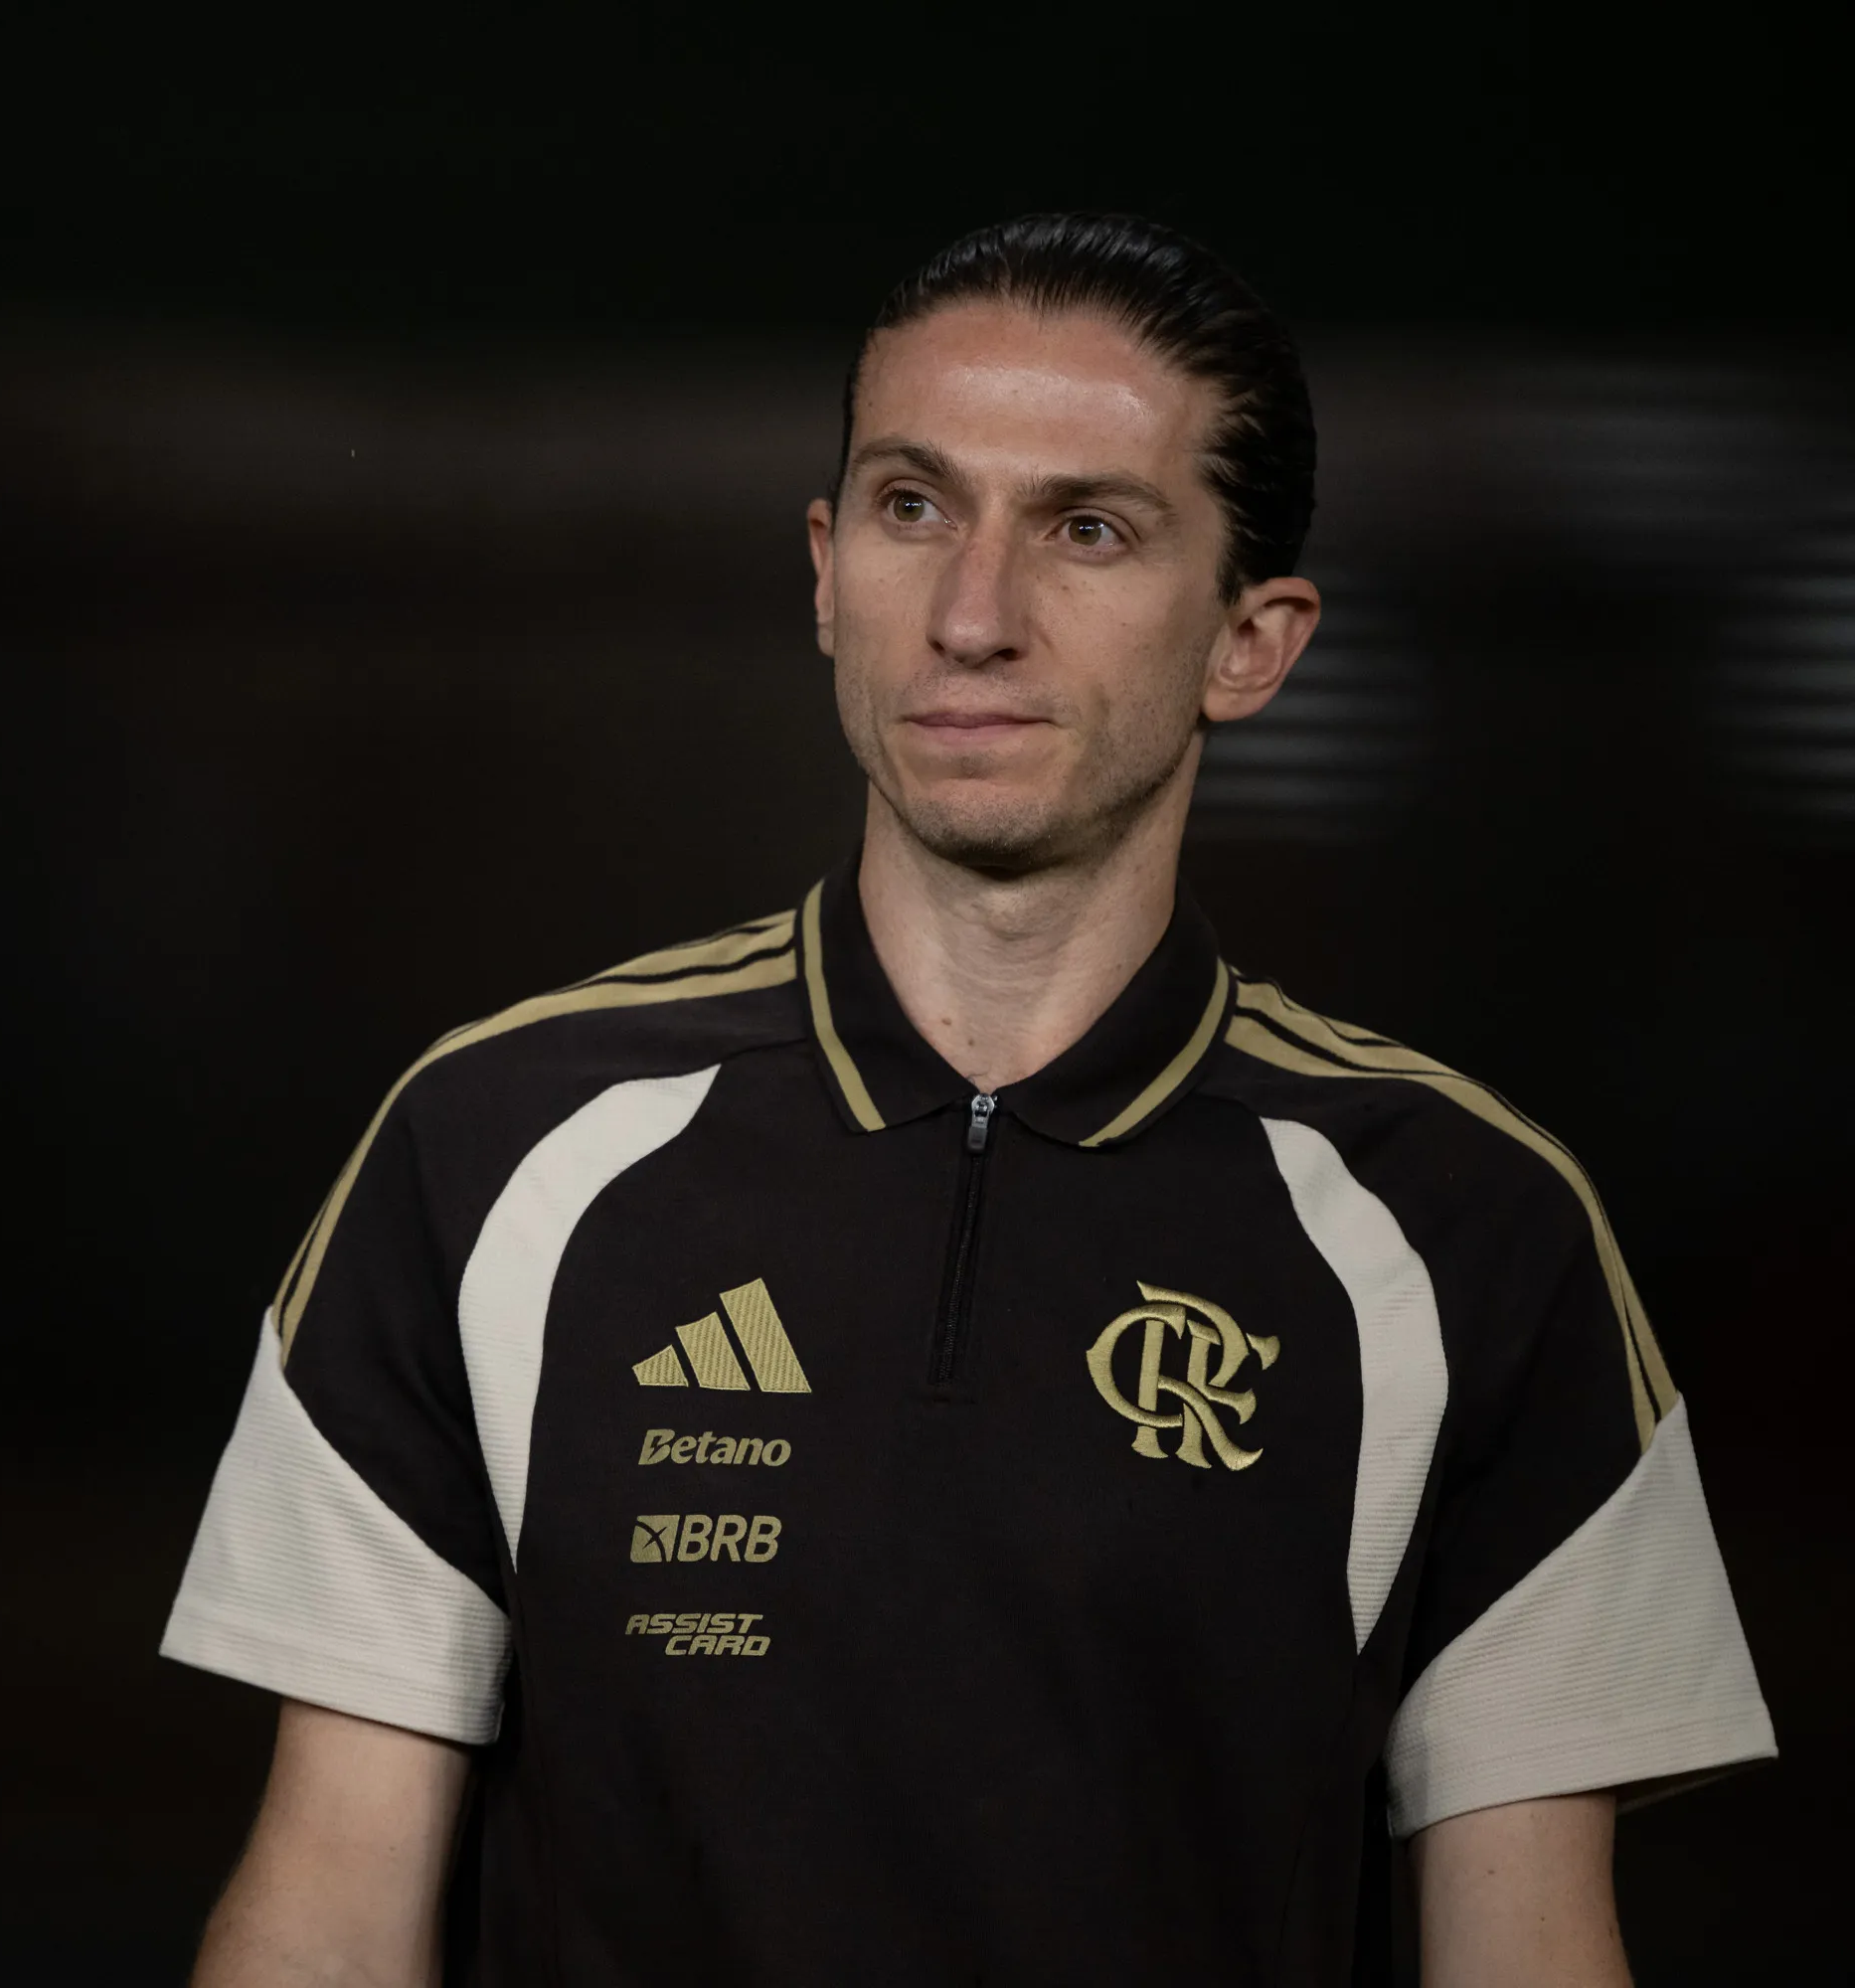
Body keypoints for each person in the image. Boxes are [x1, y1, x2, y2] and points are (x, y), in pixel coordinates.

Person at [159, 213, 1774, 1986]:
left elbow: (1529, 1955)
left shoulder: (1473, 1232)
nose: (974, 615)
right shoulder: (493, 1151)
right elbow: (328, 1923)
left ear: (1252, 642)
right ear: (826, 569)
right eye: (915, 506)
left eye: (1088, 529)